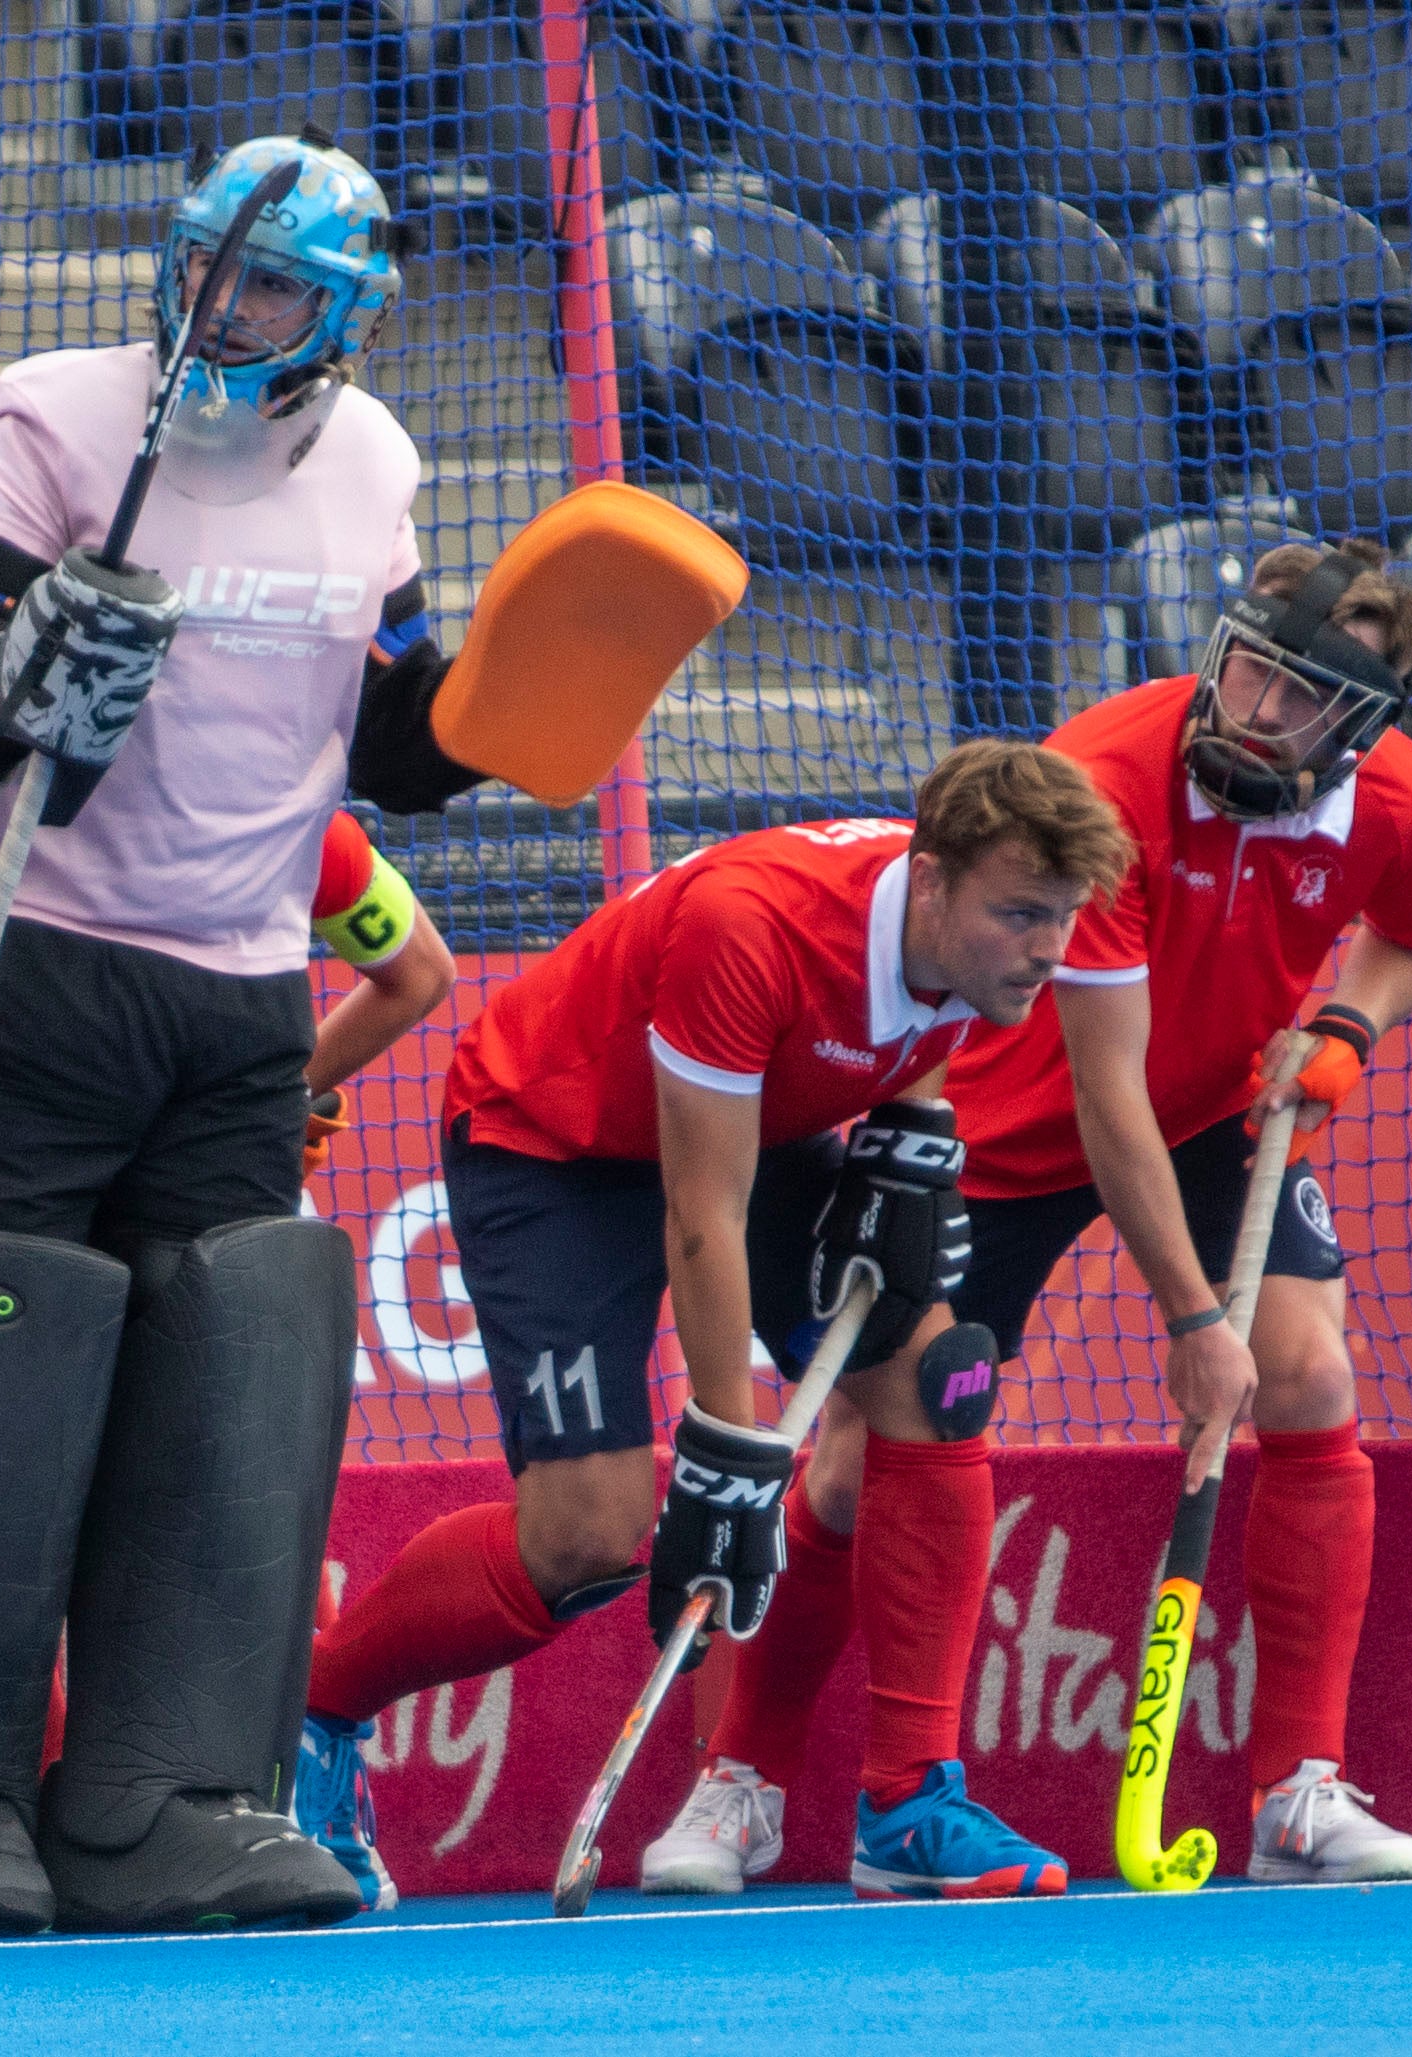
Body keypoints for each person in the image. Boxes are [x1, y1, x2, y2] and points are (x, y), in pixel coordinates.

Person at [0, 130, 513, 1941]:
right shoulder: (55, 413)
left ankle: (164, 1796)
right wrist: (19, 663)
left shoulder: (375, 460)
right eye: (203, 265)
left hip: (243, 994)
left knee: (220, 1381)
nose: (218, 305)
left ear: (341, 314)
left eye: (264, 285)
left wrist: (517, 698)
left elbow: (392, 738)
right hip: (19, 954)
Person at [286, 741, 1135, 1909]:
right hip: (554, 1137)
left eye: (1063, 915)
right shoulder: (755, 925)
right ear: (932, 880)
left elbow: (899, 1049)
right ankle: (317, 1704)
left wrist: (907, 1138)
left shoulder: (969, 940)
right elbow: (703, 1215)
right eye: (1022, 914)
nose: (1049, 946)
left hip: (751, 1120)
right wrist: (728, 1460)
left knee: (929, 1384)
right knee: (587, 1536)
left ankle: (908, 1798)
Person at [918, 541, 1412, 1885]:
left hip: (1217, 1110)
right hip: (1009, 1125)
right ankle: (746, 1776)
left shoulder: (1401, 804)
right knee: (887, 1436)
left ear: (1361, 725)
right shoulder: (1102, 777)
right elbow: (1105, 1097)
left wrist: (1344, 1026)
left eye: (1301, 697)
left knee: (1308, 1373)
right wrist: (1190, 1321)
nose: (1256, 710)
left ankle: (1297, 1791)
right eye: (1249, 671)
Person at [0, 806, 456, 1255]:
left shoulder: (299, 827)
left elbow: (421, 973)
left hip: (131, 1144)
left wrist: (260, 1102)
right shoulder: (34, 787)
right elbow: (421, 974)